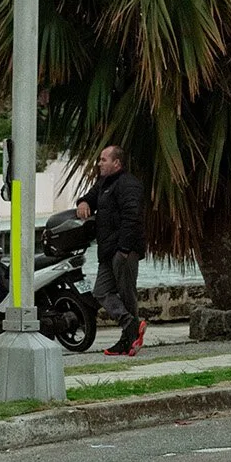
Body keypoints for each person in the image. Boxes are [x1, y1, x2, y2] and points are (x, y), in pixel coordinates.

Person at [76, 144, 146, 357]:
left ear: (117, 162)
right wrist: (83, 202)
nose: (99, 164)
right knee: (101, 291)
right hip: (107, 251)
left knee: (126, 294)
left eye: (103, 160)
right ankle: (132, 327)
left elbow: (132, 217)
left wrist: (124, 249)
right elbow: (90, 196)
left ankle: (128, 340)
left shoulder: (128, 184)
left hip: (124, 250)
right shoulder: (104, 184)